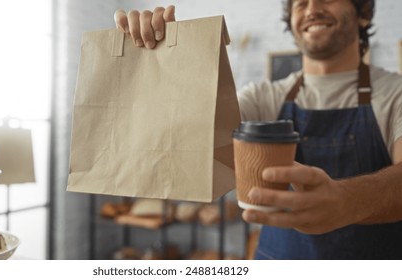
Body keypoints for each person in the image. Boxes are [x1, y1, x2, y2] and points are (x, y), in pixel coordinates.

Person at [114, 1, 402, 259]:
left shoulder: (395, 94)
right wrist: (164, 60)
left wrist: (347, 201)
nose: (312, 8)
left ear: (363, 13)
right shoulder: (263, 97)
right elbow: (188, 136)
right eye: (300, 3)